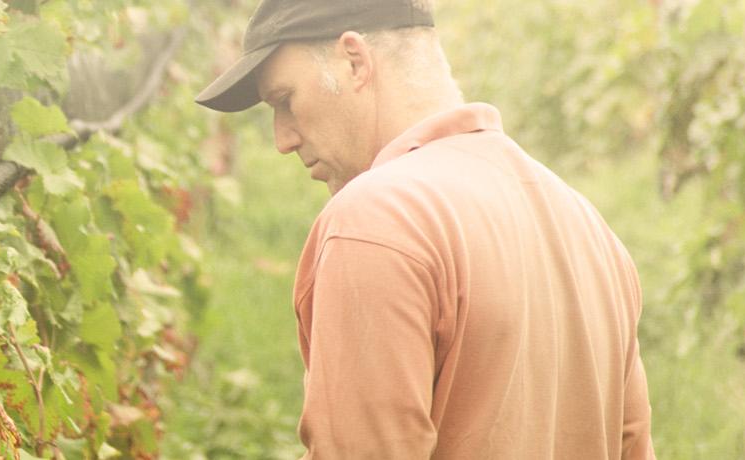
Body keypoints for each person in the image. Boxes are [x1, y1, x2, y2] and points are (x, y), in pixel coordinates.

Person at [192, 0, 656, 458]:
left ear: (354, 61)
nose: (282, 139)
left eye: (284, 100)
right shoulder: (587, 227)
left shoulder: (375, 221)